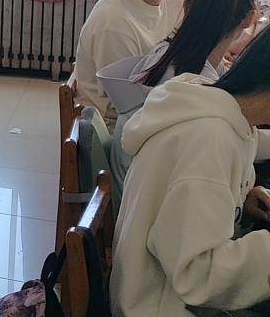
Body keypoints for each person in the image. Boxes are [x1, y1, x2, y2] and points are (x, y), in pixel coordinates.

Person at [110, 27, 270, 316]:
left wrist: (241, 202)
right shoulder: (210, 138)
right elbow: (196, 275)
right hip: (157, 306)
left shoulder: (217, 108)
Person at [104, 0, 259, 197]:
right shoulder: (200, 89)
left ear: (186, 6)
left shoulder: (166, 52)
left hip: (134, 189)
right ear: (249, 19)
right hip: (147, 196)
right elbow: (239, 138)